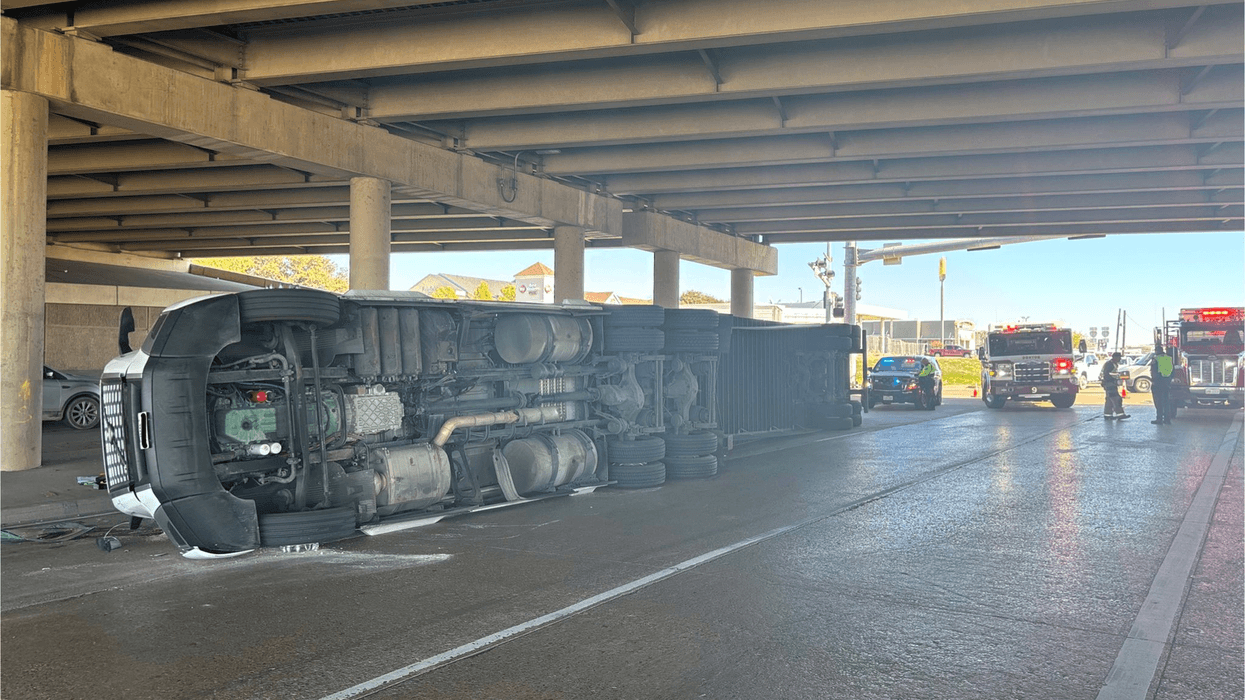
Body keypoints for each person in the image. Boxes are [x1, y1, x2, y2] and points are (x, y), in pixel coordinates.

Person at [1150, 345, 1175, 424]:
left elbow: (1154, 371)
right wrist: (1170, 378)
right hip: (1167, 381)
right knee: (1166, 400)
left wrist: (1154, 380)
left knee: (1159, 401)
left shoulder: (1156, 358)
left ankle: (1159, 419)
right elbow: (1173, 369)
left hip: (1158, 381)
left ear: (1156, 351)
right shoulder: (1169, 358)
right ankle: (1167, 419)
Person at [1101, 351, 1129, 419]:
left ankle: (1108, 415)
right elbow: (1108, 374)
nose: (1120, 359)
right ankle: (1120, 414)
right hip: (1110, 384)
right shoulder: (1109, 364)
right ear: (1115, 357)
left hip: (1109, 383)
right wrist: (1118, 376)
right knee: (1116, 399)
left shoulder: (1112, 364)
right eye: (1119, 357)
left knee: (1109, 400)